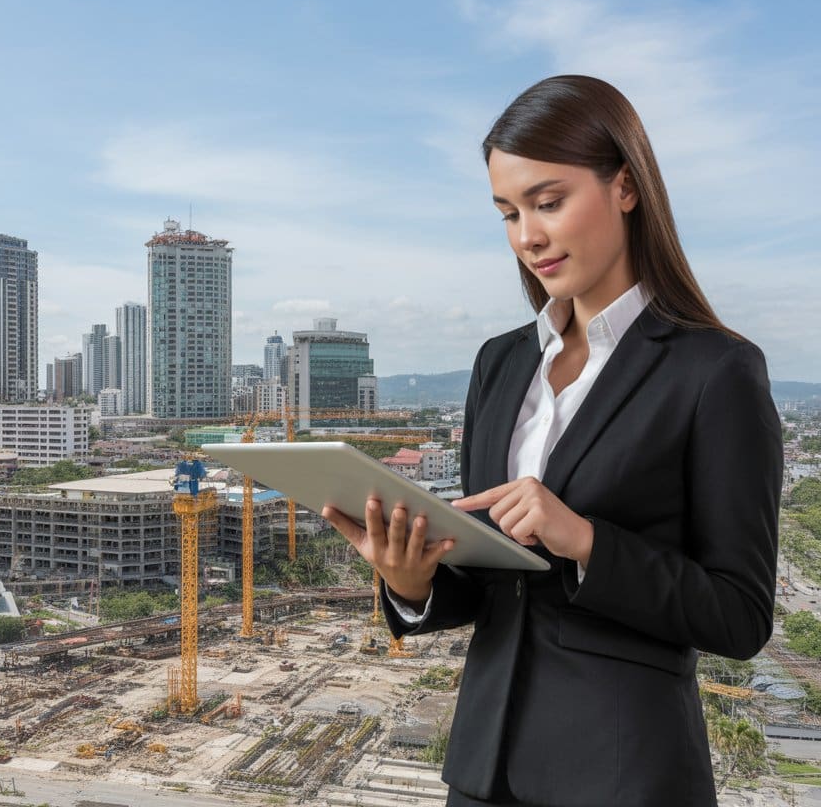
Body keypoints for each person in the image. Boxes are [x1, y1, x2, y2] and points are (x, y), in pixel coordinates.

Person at [322, 75, 782, 806]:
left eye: (548, 201)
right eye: (508, 213)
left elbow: (741, 614)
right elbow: (489, 584)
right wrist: (411, 583)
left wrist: (586, 540)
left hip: (624, 776)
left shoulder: (715, 371)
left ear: (625, 187)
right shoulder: (499, 363)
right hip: (481, 772)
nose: (527, 236)